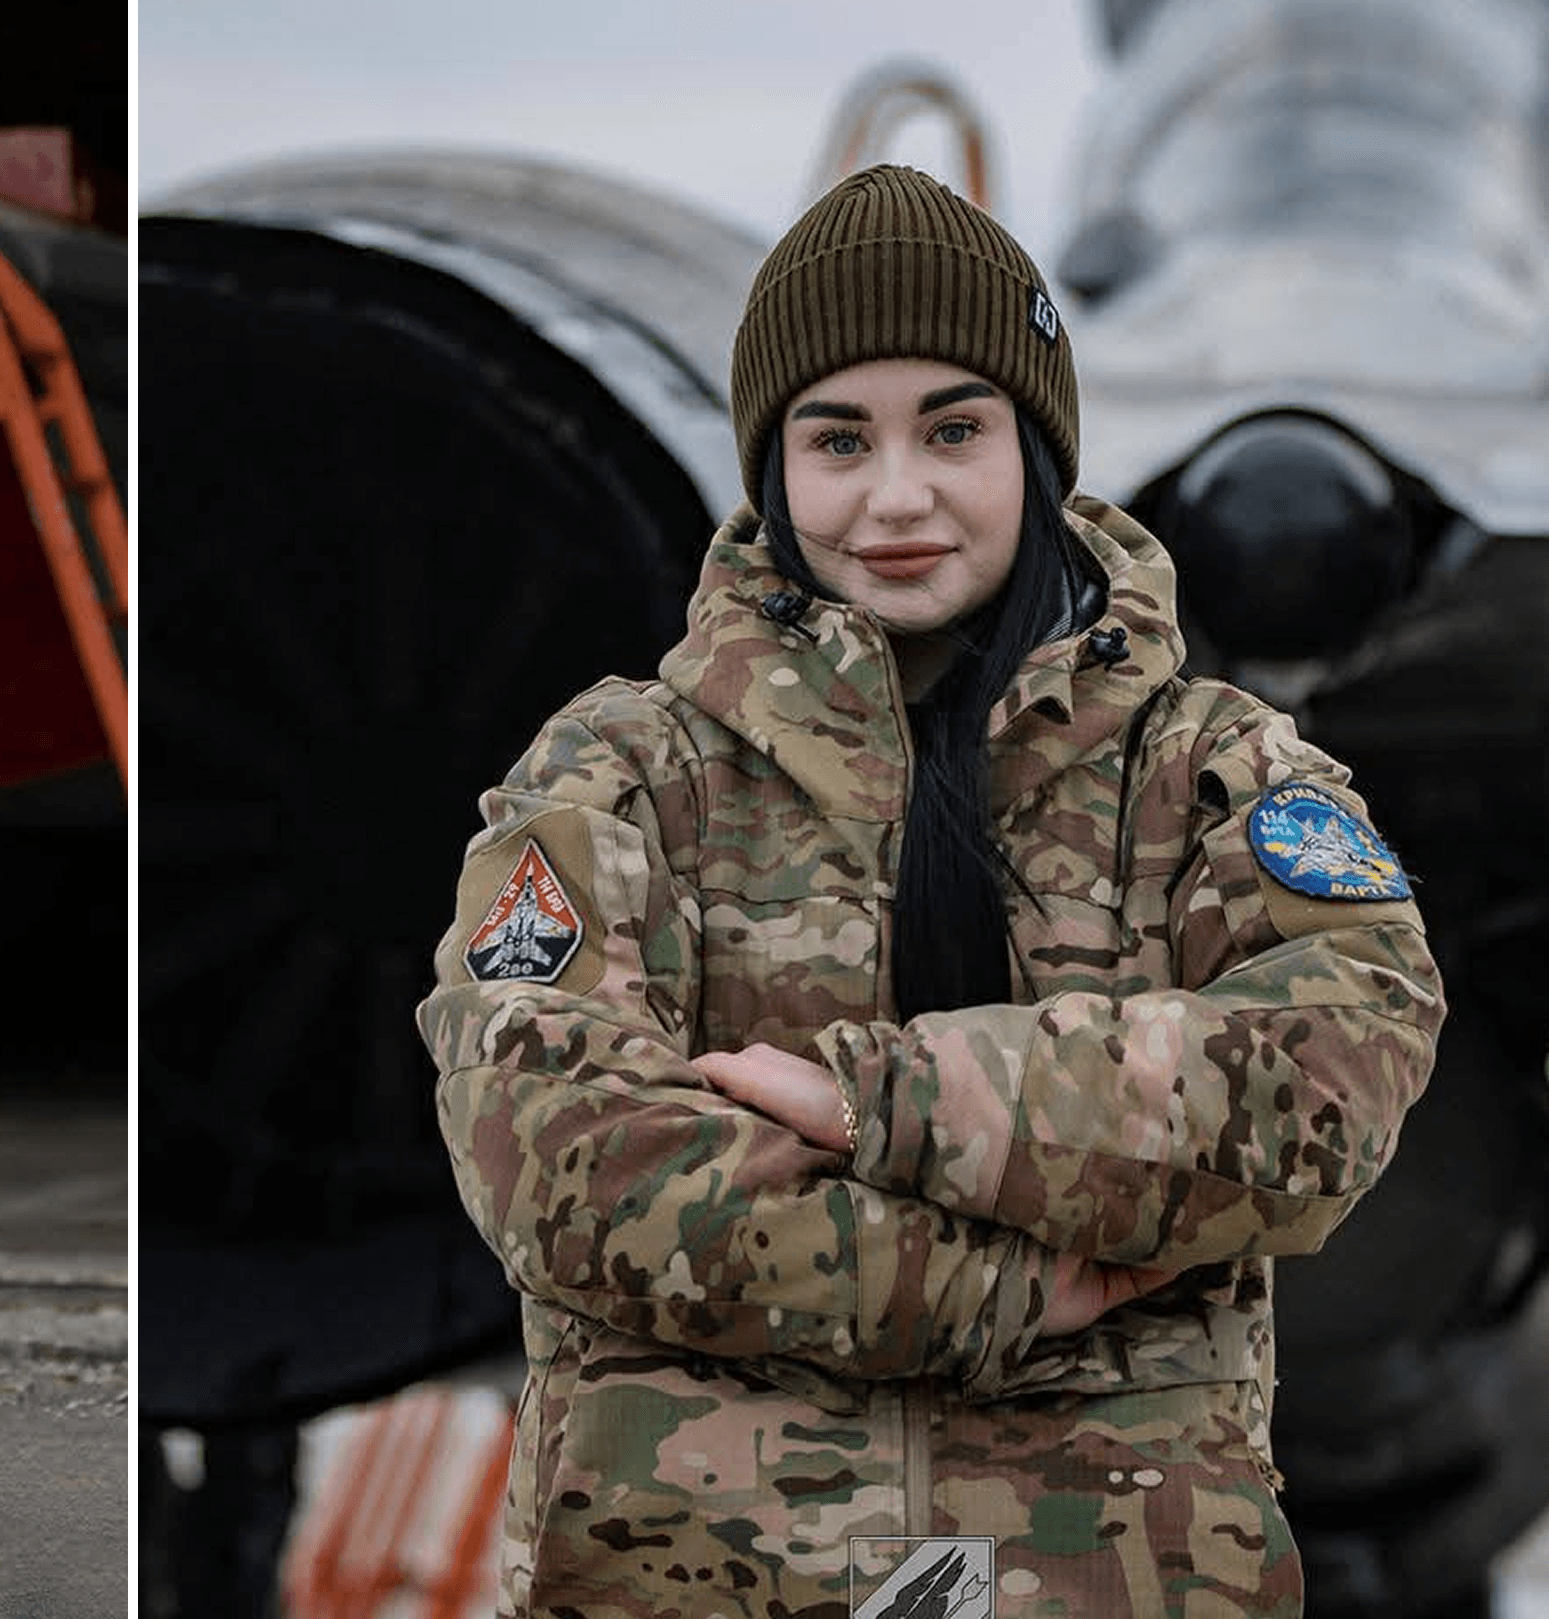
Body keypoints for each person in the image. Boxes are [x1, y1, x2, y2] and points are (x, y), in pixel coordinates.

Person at [417, 163, 1442, 1616]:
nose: (896, 495)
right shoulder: (623, 773)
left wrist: (881, 1102)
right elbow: (553, 1153)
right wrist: (1000, 1291)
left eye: (954, 429)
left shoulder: (1210, 769)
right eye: (838, 439)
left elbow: (1335, 1071)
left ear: (1034, 448)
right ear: (775, 469)